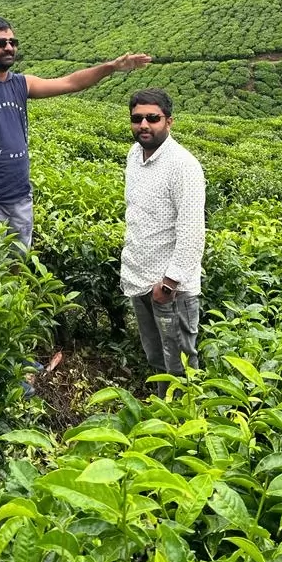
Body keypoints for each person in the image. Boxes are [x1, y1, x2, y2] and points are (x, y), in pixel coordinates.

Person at [0, 16, 151, 249]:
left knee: (17, 264)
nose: (9, 47)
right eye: (0, 43)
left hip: (20, 197)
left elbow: (70, 83)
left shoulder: (21, 84)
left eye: (12, 42)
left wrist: (111, 67)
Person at [120, 88, 206, 392]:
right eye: (137, 118)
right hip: (139, 280)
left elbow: (192, 232)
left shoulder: (184, 166)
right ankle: (162, 416)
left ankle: (188, 424)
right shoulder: (134, 155)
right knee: (156, 358)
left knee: (181, 363)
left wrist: (168, 284)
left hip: (171, 289)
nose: (144, 124)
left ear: (168, 121)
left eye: (152, 118)